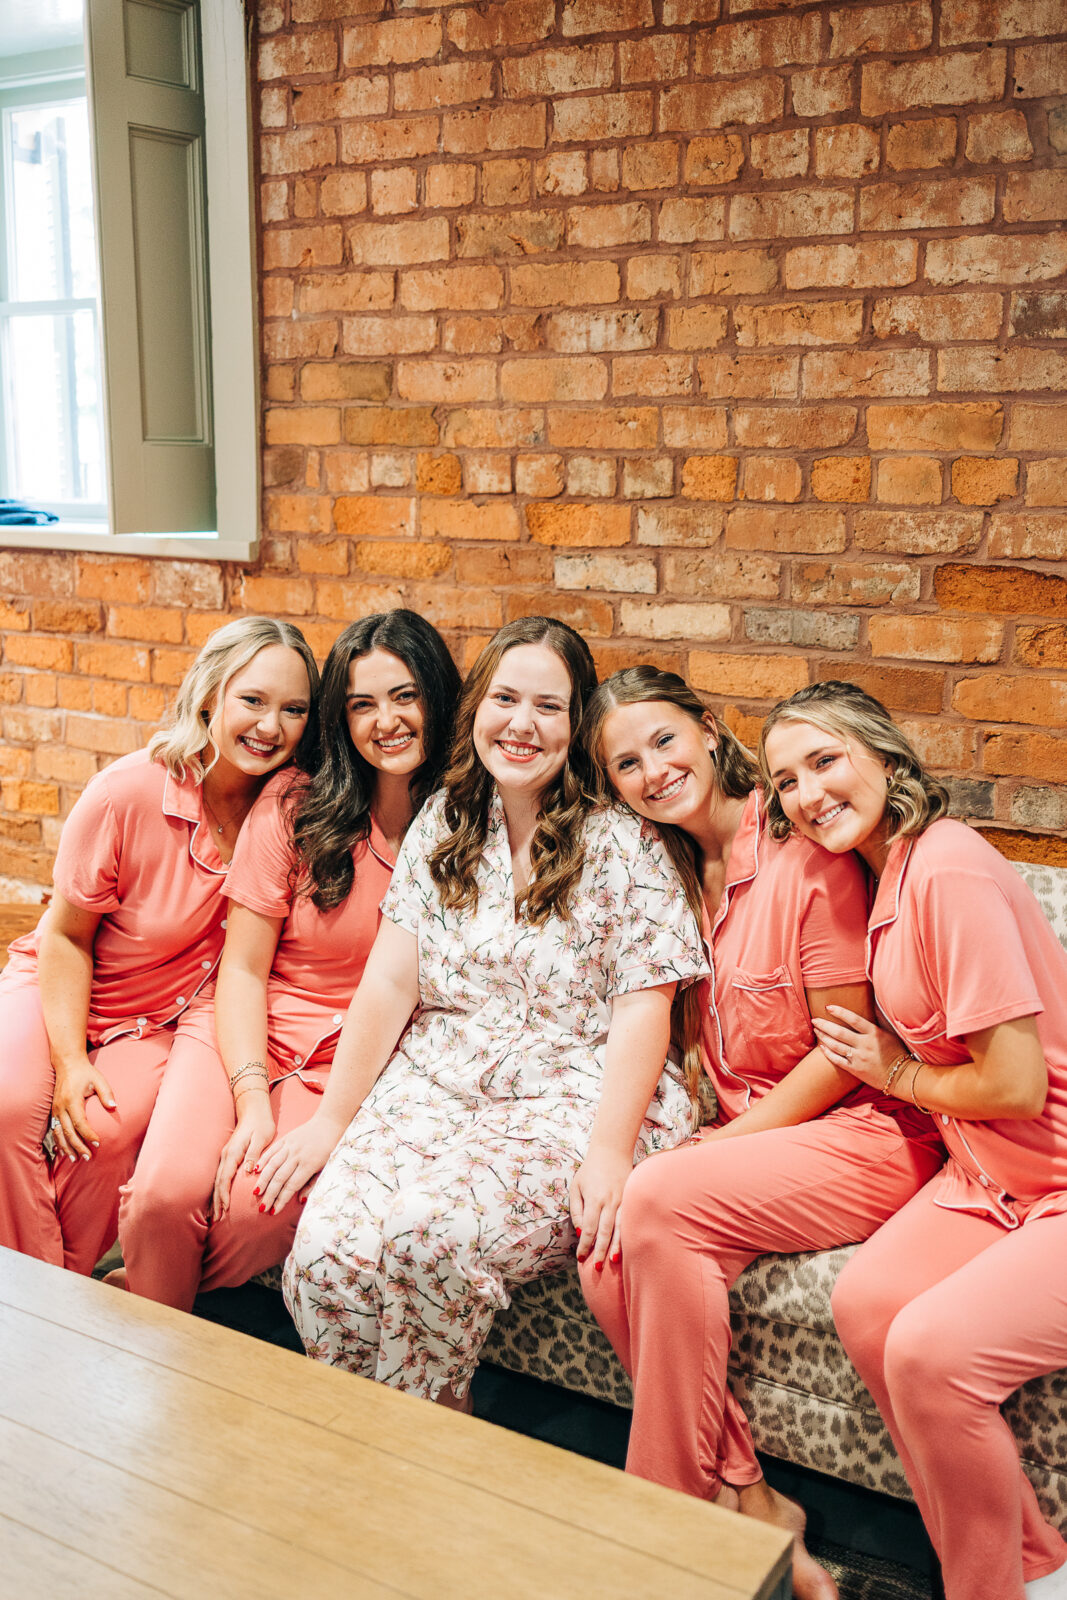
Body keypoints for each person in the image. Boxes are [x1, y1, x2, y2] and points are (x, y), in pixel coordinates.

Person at [253, 616, 708, 1409]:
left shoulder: (623, 843)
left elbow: (645, 1010)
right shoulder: (445, 819)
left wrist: (609, 1152)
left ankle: (423, 1447)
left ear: (577, 723)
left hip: (571, 1091)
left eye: (548, 706)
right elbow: (389, 985)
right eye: (504, 699)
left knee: (428, 1237)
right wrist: (331, 1121)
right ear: (476, 709)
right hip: (437, 1082)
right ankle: (357, 1443)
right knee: (326, 1251)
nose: (521, 724)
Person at [577, 667, 945, 1600]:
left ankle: (661, 1524)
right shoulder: (661, 871)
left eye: (664, 741)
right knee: (603, 1251)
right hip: (758, 1138)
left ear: (708, 730)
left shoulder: (802, 856)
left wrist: (717, 1149)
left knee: (655, 1197)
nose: (653, 771)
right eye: (626, 763)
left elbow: (842, 1052)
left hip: (864, 1129)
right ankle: (747, 1497)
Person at [761, 680, 1067, 1600]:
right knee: (866, 1305)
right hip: (988, 1177)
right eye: (785, 781)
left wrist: (894, 1075)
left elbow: (1013, 1084)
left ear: (885, 756)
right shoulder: (886, 873)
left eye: (824, 760)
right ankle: (1032, 1568)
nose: (807, 793)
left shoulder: (946, 870)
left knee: (930, 1352)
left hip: (1056, 1182)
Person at [117, 611, 460, 1309]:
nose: (385, 721)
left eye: (405, 696)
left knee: (256, 1215)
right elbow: (242, 969)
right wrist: (251, 1104)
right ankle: (152, 1320)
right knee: (161, 1199)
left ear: (438, 696)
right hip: (244, 1032)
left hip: (356, 1062)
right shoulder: (295, 802)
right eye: (362, 703)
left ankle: (146, 1296)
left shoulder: (465, 825)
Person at [0, 616, 318, 1276]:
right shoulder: (127, 791)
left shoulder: (291, 809)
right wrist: (69, 1061)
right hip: (61, 979)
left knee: (105, 1133)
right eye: (252, 700)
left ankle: (63, 1284)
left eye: (293, 709)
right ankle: (34, 1290)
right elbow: (65, 936)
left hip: (161, 1019)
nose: (271, 726)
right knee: (7, 1107)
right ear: (209, 696)